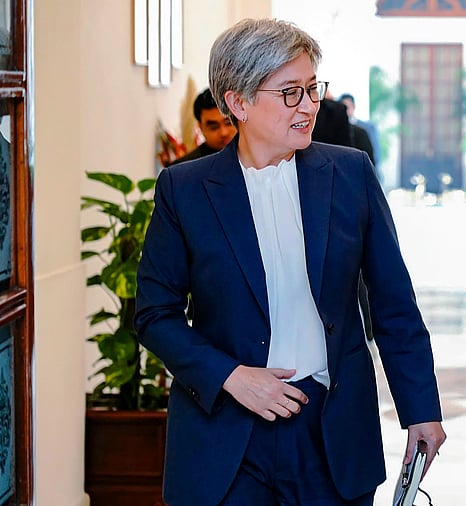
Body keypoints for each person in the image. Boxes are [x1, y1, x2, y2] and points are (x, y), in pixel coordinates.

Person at [135, 18, 446, 506]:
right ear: (238, 102)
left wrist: (421, 409)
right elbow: (155, 314)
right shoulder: (185, 189)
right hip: (226, 432)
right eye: (289, 93)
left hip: (332, 430)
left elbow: (394, 304)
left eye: (311, 89)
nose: (308, 107)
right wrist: (232, 376)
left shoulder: (349, 175)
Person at [167, 87, 237, 166]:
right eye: (214, 127)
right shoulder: (182, 169)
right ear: (200, 127)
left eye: (229, 123)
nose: (223, 133)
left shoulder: (252, 159)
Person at [338, 93, 382, 169]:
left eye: (348, 107)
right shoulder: (337, 129)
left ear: (353, 107)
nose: (346, 110)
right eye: (343, 107)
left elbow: (376, 153)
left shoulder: (368, 128)